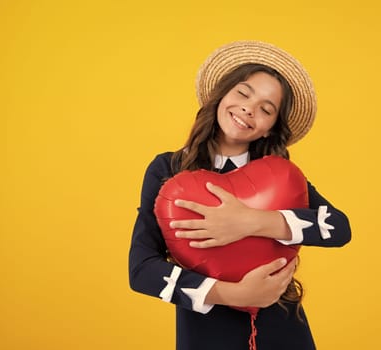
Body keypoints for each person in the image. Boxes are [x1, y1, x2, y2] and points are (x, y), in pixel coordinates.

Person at [128, 40, 352, 350]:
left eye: (266, 109)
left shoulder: (279, 176)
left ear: (269, 129)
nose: (249, 109)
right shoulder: (168, 168)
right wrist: (233, 294)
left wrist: (253, 222)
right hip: (205, 336)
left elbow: (339, 228)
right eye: (243, 94)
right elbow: (141, 270)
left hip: (284, 331)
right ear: (221, 96)